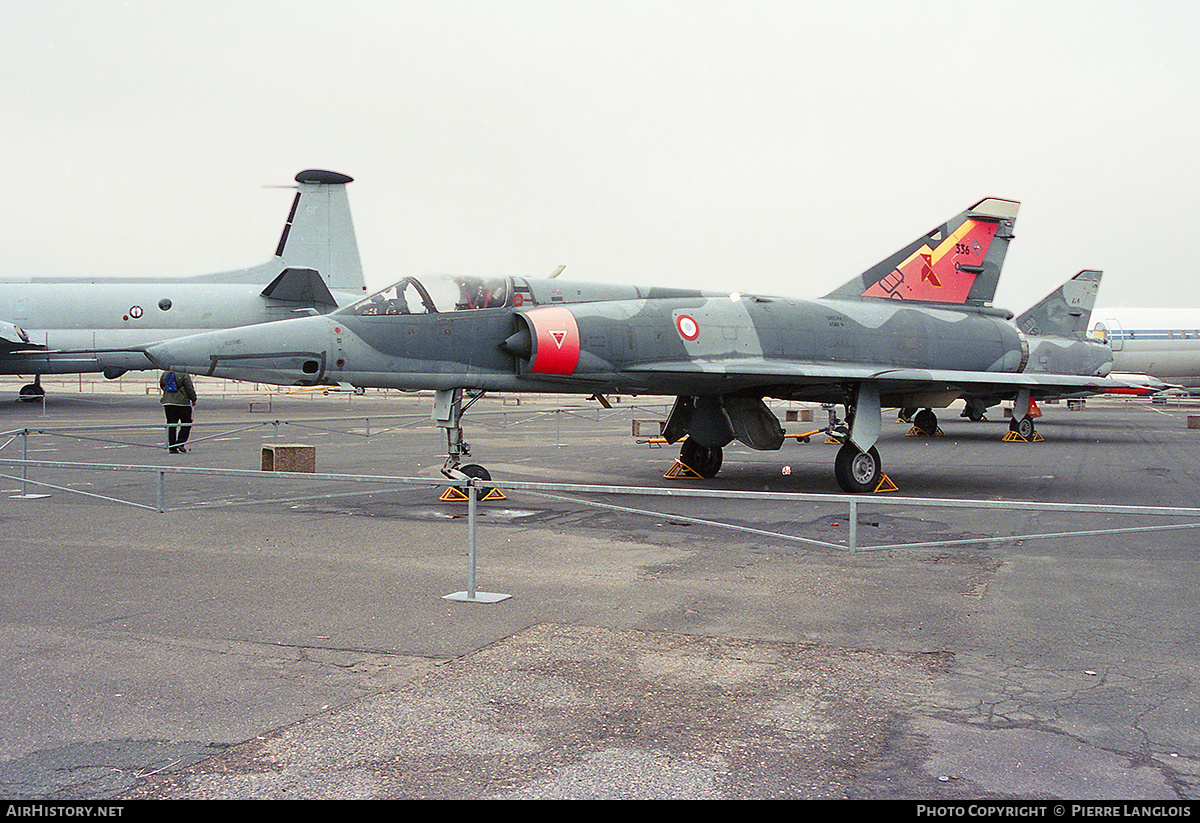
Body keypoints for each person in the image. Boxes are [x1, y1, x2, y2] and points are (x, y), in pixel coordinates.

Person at [159, 369, 197, 453]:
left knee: (171, 425)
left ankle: (172, 447)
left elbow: (162, 385)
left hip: (168, 402)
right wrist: (193, 399)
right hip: (182, 403)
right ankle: (180, 442)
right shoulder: (184, 374)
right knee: (186, 423)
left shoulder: (165, 373)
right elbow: (189, 388)